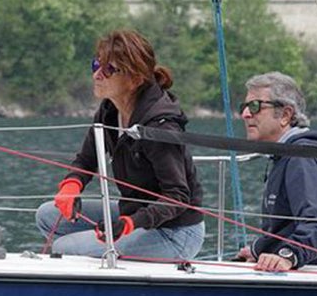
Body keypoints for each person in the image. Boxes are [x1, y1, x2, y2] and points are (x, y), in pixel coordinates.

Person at [35, 29, 205, 260]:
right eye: (96, 65)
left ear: (135, 79)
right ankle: (104, 262)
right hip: (135, 214)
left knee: (64, 247)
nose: (97, 75)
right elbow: (87, 160)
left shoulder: (160, 126)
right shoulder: (109, 110)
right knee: (46, 215)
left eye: (109, 70)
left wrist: (130, 223)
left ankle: (105, 266)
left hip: (175, 231)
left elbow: (177, 197)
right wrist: (72, 184)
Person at [235, 72, 317, 271]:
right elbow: (287, 227)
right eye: (245, 107)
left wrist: (288, 256)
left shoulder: (301, 158)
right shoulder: (285, 155)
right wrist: (259, 248)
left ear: (285, 115)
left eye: (255, 106)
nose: (246, 114)